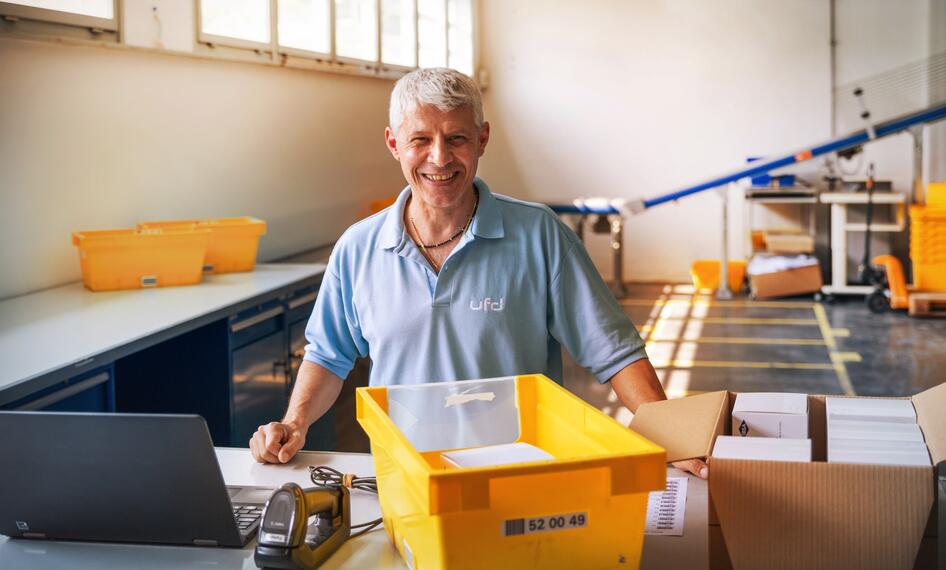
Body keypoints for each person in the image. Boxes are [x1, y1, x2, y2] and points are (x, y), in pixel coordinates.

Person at [249, 67, 708, 479]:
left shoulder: (539, 235)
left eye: (457, 138)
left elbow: (614, 352)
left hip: (518, 475)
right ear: (394, 144)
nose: (440, 157)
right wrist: (294, 422)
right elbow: (329, 356)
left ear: (482, 139)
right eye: (420, 140)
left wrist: (674, 436)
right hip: (404, 479)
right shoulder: (358, 248)